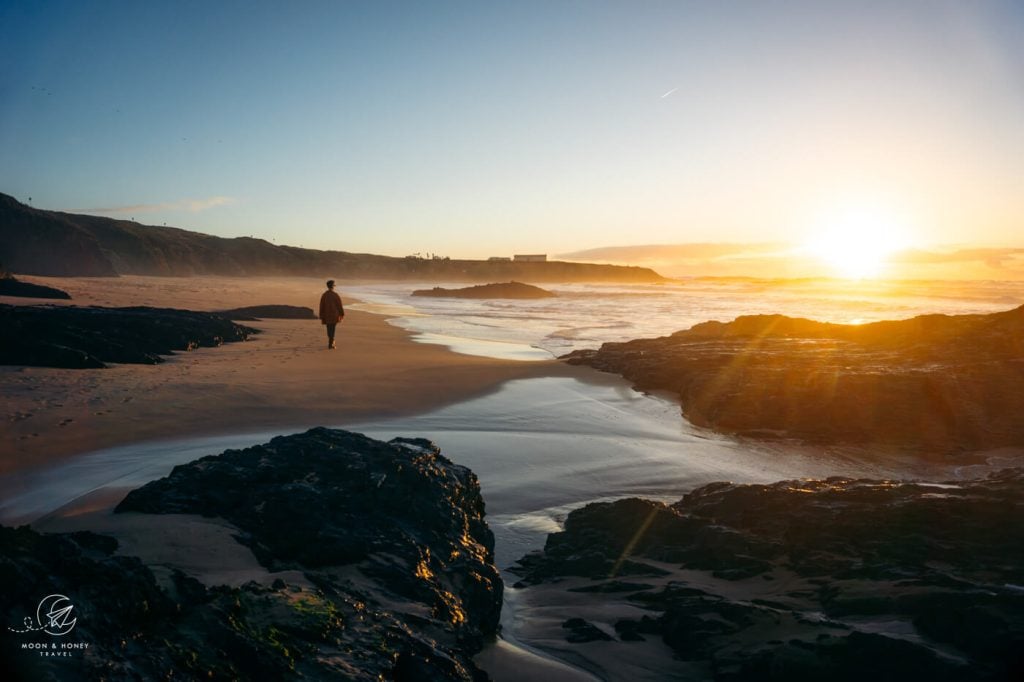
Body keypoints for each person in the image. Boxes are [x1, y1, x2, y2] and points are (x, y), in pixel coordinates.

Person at [318, 279, 345, 349]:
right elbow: (339, 305)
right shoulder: (335, 295)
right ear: (333, 286)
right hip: (334, 315)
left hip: (327, 315)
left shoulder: (324, 295)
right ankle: (331, 342)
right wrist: (342, 313)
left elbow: (321, 305)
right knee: (333, 328)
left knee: (329, 328)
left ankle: (331, 341)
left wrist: (321, 314)